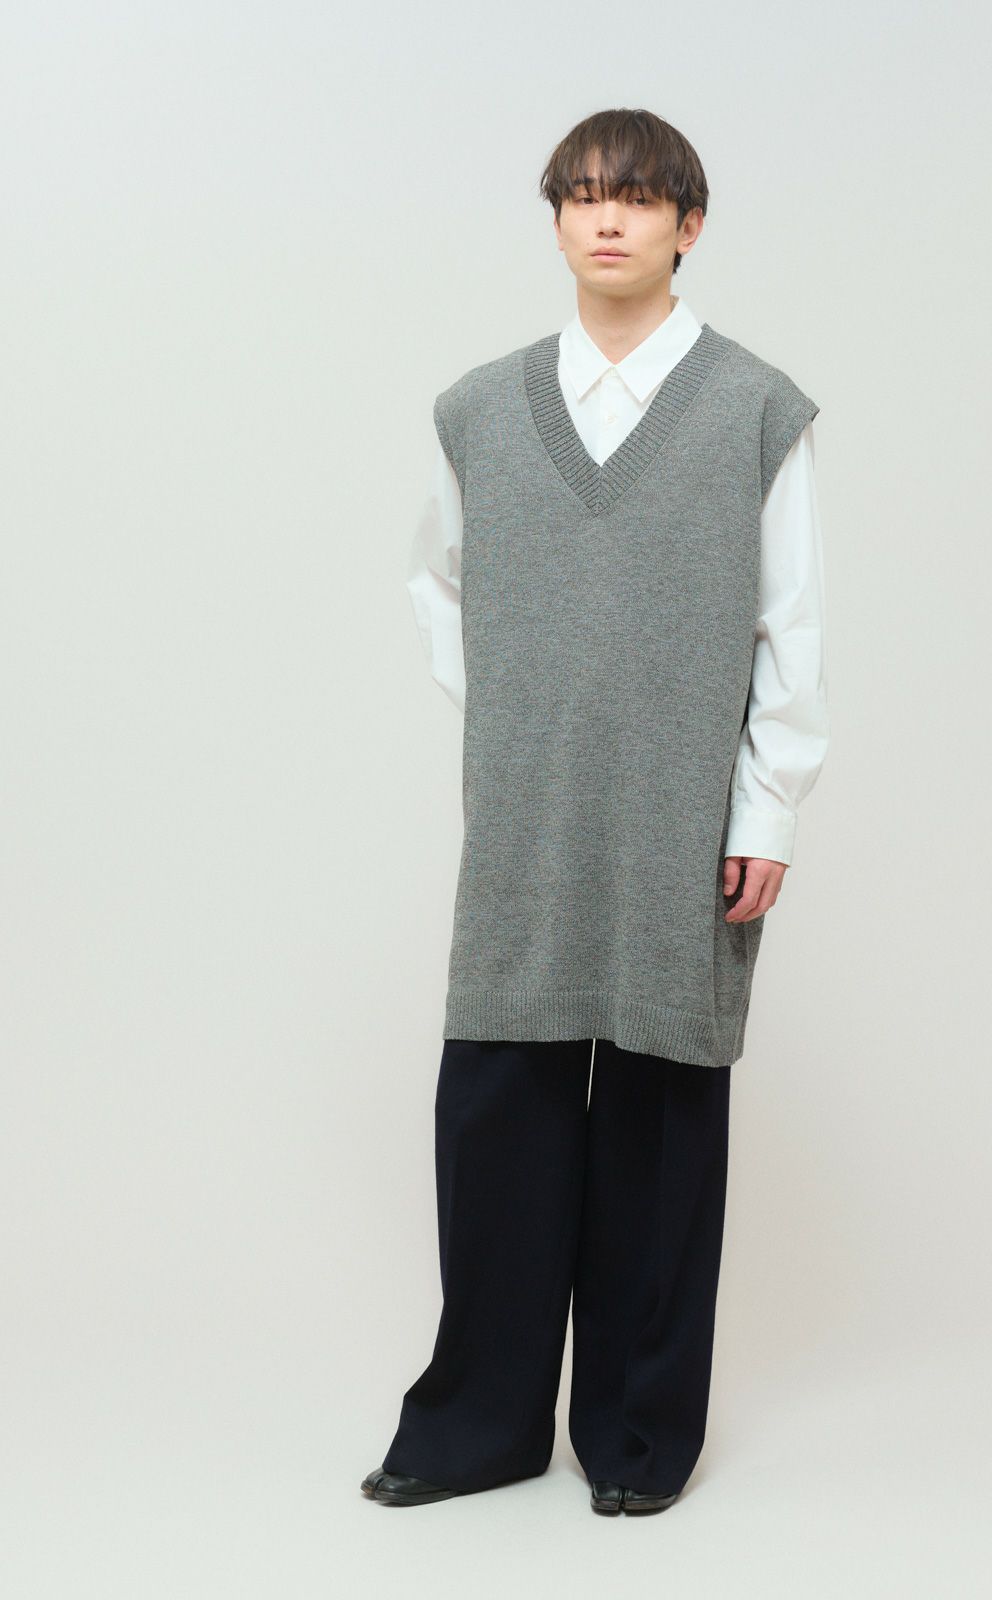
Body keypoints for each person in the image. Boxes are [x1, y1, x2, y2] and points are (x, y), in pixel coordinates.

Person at [362, 106, 829, 1516]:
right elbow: (437, 583)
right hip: (531, 811)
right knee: (499, 1108)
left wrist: (767, 808)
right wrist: (523, 718)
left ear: (691, 224)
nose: (606, 217)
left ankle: (635, 1433)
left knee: (662, 1115)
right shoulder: (479, 408)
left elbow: (792, 626)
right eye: (580, 194)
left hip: (688, 814)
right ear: (558, 219)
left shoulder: (756, 409)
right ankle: (479, 1423)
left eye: (635, 196)